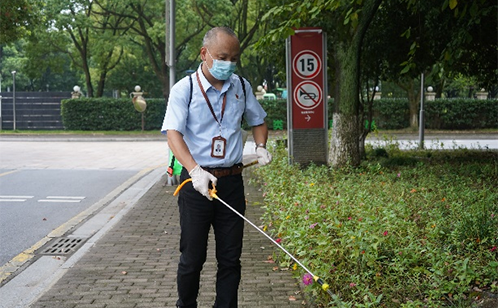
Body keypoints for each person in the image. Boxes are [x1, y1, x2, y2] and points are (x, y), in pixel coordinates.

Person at [161, 26, 272, 308]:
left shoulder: (242, 86)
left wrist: (260, 147)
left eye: (234, 58)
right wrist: (195, 170)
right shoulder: (184, 89)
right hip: (196, 184)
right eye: (223, 56)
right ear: (204, 54)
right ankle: (186, 304)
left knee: (230, 259)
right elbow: (173, 133)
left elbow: (258, 120)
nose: (229, 64)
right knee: (192, 257)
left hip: (231, 182)